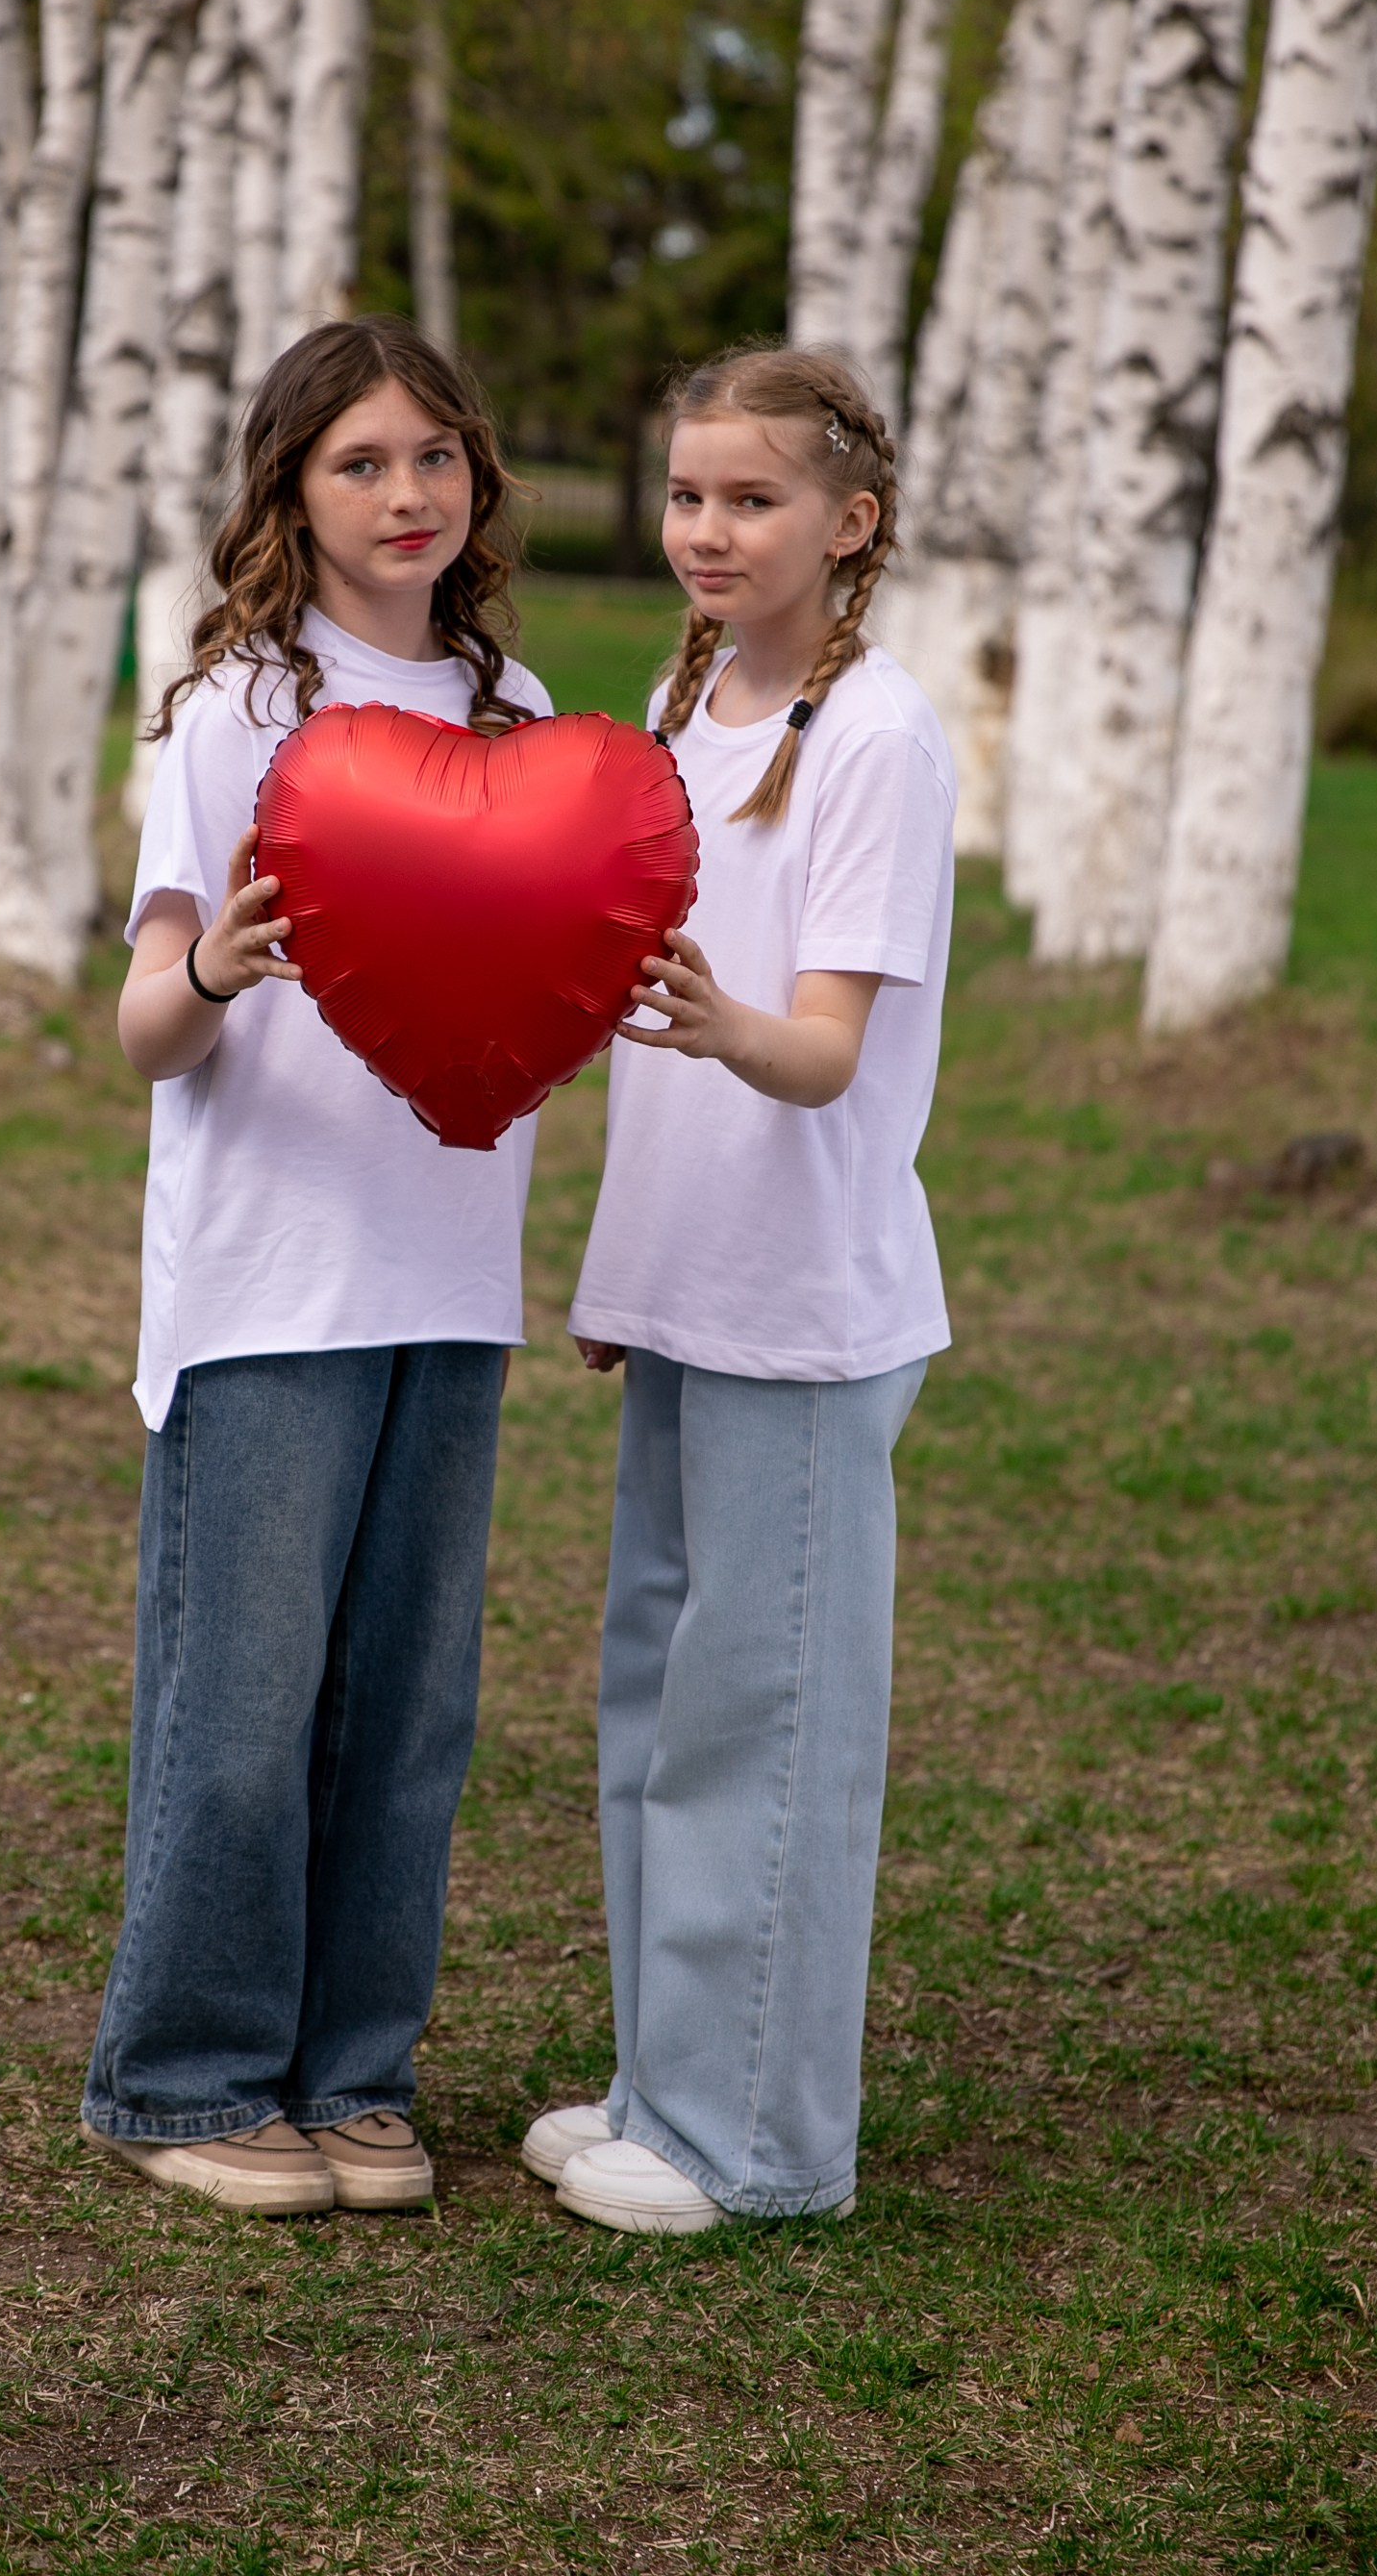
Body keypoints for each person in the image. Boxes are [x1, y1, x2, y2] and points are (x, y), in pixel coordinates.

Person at [82, 316, 551, 2218]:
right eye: (360, 462)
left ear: (476, 485)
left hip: (451, 1278)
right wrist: (208, 974)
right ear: (290, 485)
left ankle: (355, 2073)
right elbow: (143, 1026)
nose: (404, 495)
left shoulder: (518, 708)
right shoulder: (237, 711)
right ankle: (181, 2076)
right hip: (271, 1284)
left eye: (434, 458)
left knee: (409, 1710)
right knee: (245, 1701)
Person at [521, 343, 954, 2235]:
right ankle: (655, 2087)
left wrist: (717, 1021)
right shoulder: (683, 696)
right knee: (652, 1700)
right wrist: (629, 1268)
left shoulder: (879, 738)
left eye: (751, 500)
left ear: (847, 526)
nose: (707, 530)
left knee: (759, 1728)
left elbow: (827, 1054)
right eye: (688, 495)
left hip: (805, 1309)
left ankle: (751, 2149)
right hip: (688, 1290)